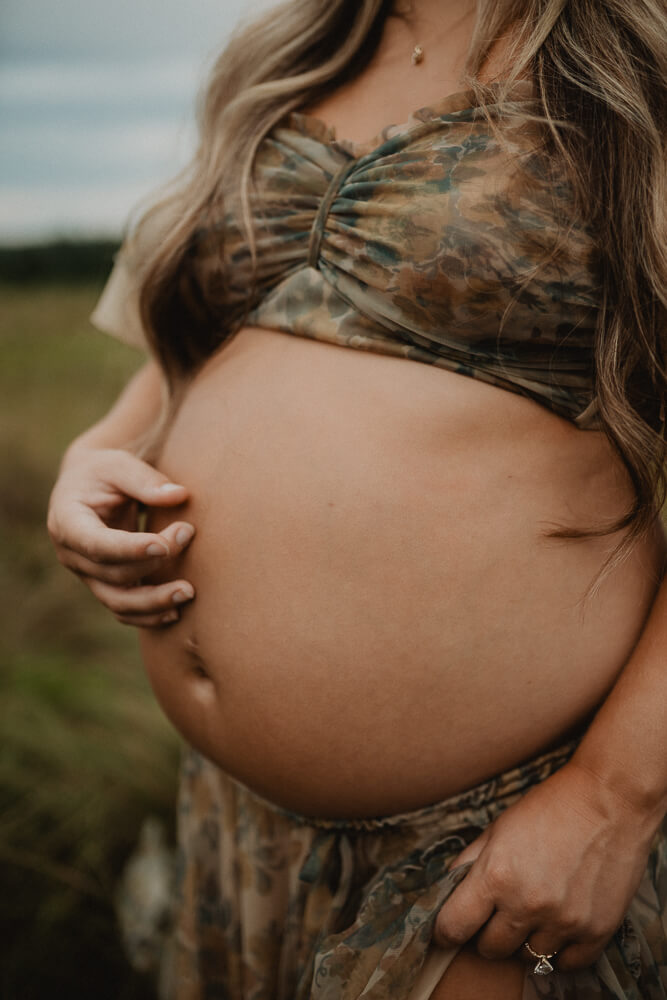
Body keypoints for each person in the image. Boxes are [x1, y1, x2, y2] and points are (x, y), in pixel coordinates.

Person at [48, 0, 667, 997]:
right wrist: (92, 455)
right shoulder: (282, 58)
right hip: (234, 822)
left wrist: (611, 799)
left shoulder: (636, 66)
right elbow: (190, 347)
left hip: (489, 842)